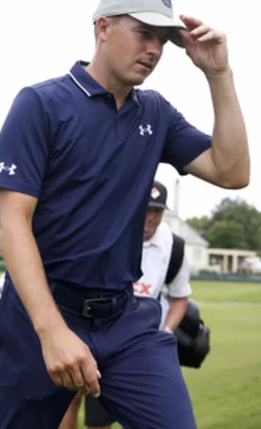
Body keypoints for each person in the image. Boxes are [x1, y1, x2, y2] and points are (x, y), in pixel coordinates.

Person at [0, 0, 249, 429]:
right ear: (103, 27)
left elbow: (232, 171)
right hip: (39, 317)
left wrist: (218, 75)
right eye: (143, 33)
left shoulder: (156, 113)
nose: (154, 49)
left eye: (162, 40)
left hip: (124, 318)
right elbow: (13, 224)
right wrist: (52, 332)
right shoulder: (41, 104)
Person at [58, 180, 194, 429]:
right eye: (145, 208)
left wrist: (166, 331)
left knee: (117, 415)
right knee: (69, 397)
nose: (150, 217)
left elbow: (180, 297)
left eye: (157, 211)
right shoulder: (106, 233)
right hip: (96, 326)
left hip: (138, 341)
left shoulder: (175, 247)